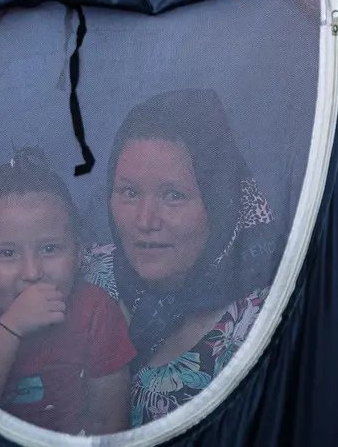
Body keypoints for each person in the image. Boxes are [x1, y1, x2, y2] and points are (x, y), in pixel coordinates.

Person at [83, 89, 280, 426]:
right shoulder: (87, 274)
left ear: (220, 203)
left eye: (173, 195)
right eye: (129, 193)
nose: (145, 221)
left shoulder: (263, 330)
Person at [0, 148, 136, 435]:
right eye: (6, 253)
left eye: (50, 249)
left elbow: (110, 422)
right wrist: (10, 328)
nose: (32, 272)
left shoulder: (94, 311)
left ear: (78, 253)